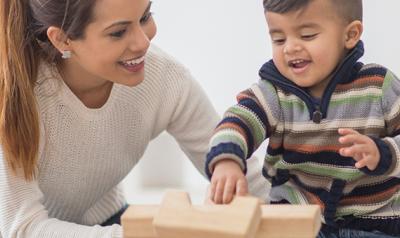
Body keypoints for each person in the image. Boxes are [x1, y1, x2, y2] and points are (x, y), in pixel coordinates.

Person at [0, 0, 269, 237]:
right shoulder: (18, 95)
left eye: (145, 17)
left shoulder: (165, 79)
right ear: (62, 40)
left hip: (107, 222)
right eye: (118, 32)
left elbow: (249, 181)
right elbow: (21, 228)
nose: (143, 42)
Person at [206, 0, 400, 237]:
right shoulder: (273, 95)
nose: (289, 48)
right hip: (296, 221)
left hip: (375, 223)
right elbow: (237, 121)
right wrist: (227, 160)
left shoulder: (379, 87)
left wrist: (383, 153)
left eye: (307, 35)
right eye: (278, 39)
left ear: (350, 35)